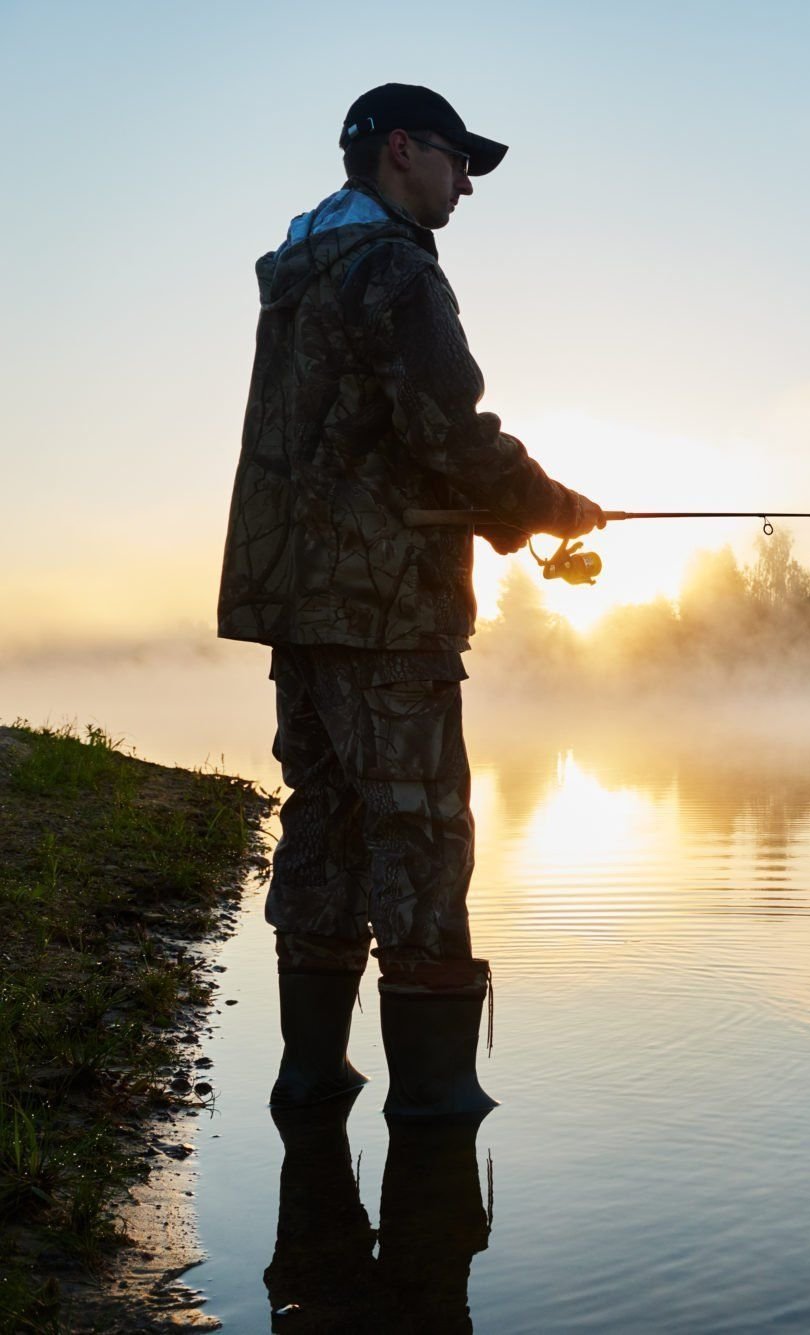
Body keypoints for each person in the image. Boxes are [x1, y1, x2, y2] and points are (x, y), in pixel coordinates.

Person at [218, 83, 601, 1117]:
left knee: (327, 821)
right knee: (421, 832)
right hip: (386, 607)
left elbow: (363, 443)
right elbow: (445, 433)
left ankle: (310, 1075)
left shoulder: (301, 272)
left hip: (297, 597)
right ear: (400, 150)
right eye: (454, 158)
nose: (467, 181)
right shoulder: (394, 268)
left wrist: (511, 515)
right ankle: (434, 1104)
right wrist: (553, 506)